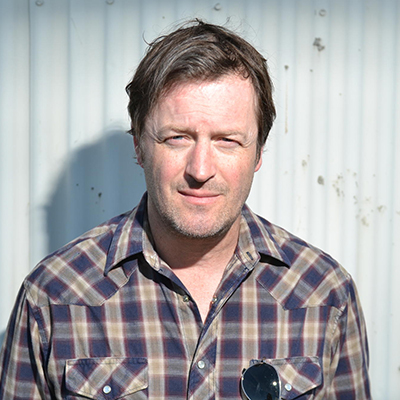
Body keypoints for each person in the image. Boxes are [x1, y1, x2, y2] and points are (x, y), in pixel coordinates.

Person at [0, 20, 371, 399]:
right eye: (177, 138)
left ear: (258, 152)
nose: (200, 169)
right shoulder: (54, 297)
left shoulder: (324, 295)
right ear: (140, 145)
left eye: (227, 141)